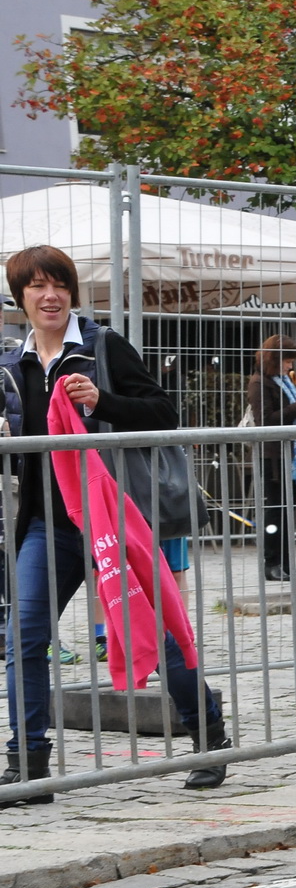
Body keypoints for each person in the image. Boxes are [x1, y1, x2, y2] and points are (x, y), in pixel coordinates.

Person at [0, 245, 228, 806]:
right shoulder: (11, 365)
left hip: (114, 522)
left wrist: (104, 401)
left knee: (162, 636)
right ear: (20, 298)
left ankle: (209, 736)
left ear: (72, 293)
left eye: (58, 285)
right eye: (36, 287)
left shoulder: (103, 347)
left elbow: (163, 413)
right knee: (23, 639)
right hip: (46, 525)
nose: (49, 296)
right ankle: (28, 763)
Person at [246, 335, 296, 581]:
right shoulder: (259, 383)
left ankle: (286, 563)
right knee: (275, 509)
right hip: (273, 456)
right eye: (287, 361)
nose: (290, 366)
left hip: (289, 455)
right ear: (275, 359)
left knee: (287, 510)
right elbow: (266, 420)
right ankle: (271, 563)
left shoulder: (282, 381)